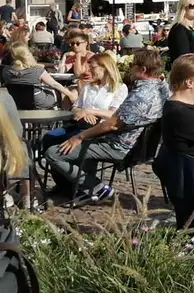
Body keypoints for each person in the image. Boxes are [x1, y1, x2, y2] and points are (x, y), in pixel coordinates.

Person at [43, 49, 170, 205]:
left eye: (132, 65)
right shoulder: (161, 88)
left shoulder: (140, 95)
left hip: (117, 145)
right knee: (61, 138)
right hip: (134, 143)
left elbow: (113, 124)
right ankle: (80, 189)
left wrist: (80, 137)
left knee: (53, 152)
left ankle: (96, 187)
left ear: (142, 70)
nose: (130, 68)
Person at [42, 53, 128, 152]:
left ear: (104, 67)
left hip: (99, 130)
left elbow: (113, 115)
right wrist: (83, 113)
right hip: (79, 124)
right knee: (49, 137)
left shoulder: (119, 88)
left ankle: (63, 163)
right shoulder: (89, 87)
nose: (89, 70)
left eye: (93, 67)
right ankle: (53, 165)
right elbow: (74, 108)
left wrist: (89, 111)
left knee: (60, 144)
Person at [1, 43, 76, 110]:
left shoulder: (6, 71)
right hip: (39, 102)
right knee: (64, 92)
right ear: (27, 54)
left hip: (18, 102)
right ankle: (63, 118)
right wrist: (70, 94)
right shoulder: (37, 71)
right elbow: (54, 84)